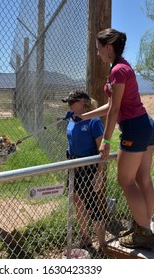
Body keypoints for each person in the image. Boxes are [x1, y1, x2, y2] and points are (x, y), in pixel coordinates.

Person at [79, 28, 154, 249]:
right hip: (146, 125)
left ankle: (144, 233)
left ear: (108, 47)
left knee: (126, 181)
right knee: (143, 178)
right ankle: (144, 226)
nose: (97, 53)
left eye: (98, 49)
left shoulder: (118, 71)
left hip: (134, 128)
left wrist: (106, 140)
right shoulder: (122, 68)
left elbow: (114, 111)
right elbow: (112, 106)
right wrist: (85, 115)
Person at [62, 90, 106, 252]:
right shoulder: (72, 120)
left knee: (92, 207)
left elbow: (102, 150)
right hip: (73, 166)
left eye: (73, 102)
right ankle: (85, 238)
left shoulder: (94, 121)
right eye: (68, 102)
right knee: (77, 201)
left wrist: (99, 174)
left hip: (88, 168)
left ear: (84, 103)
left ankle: (102, 247)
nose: (69, 105)